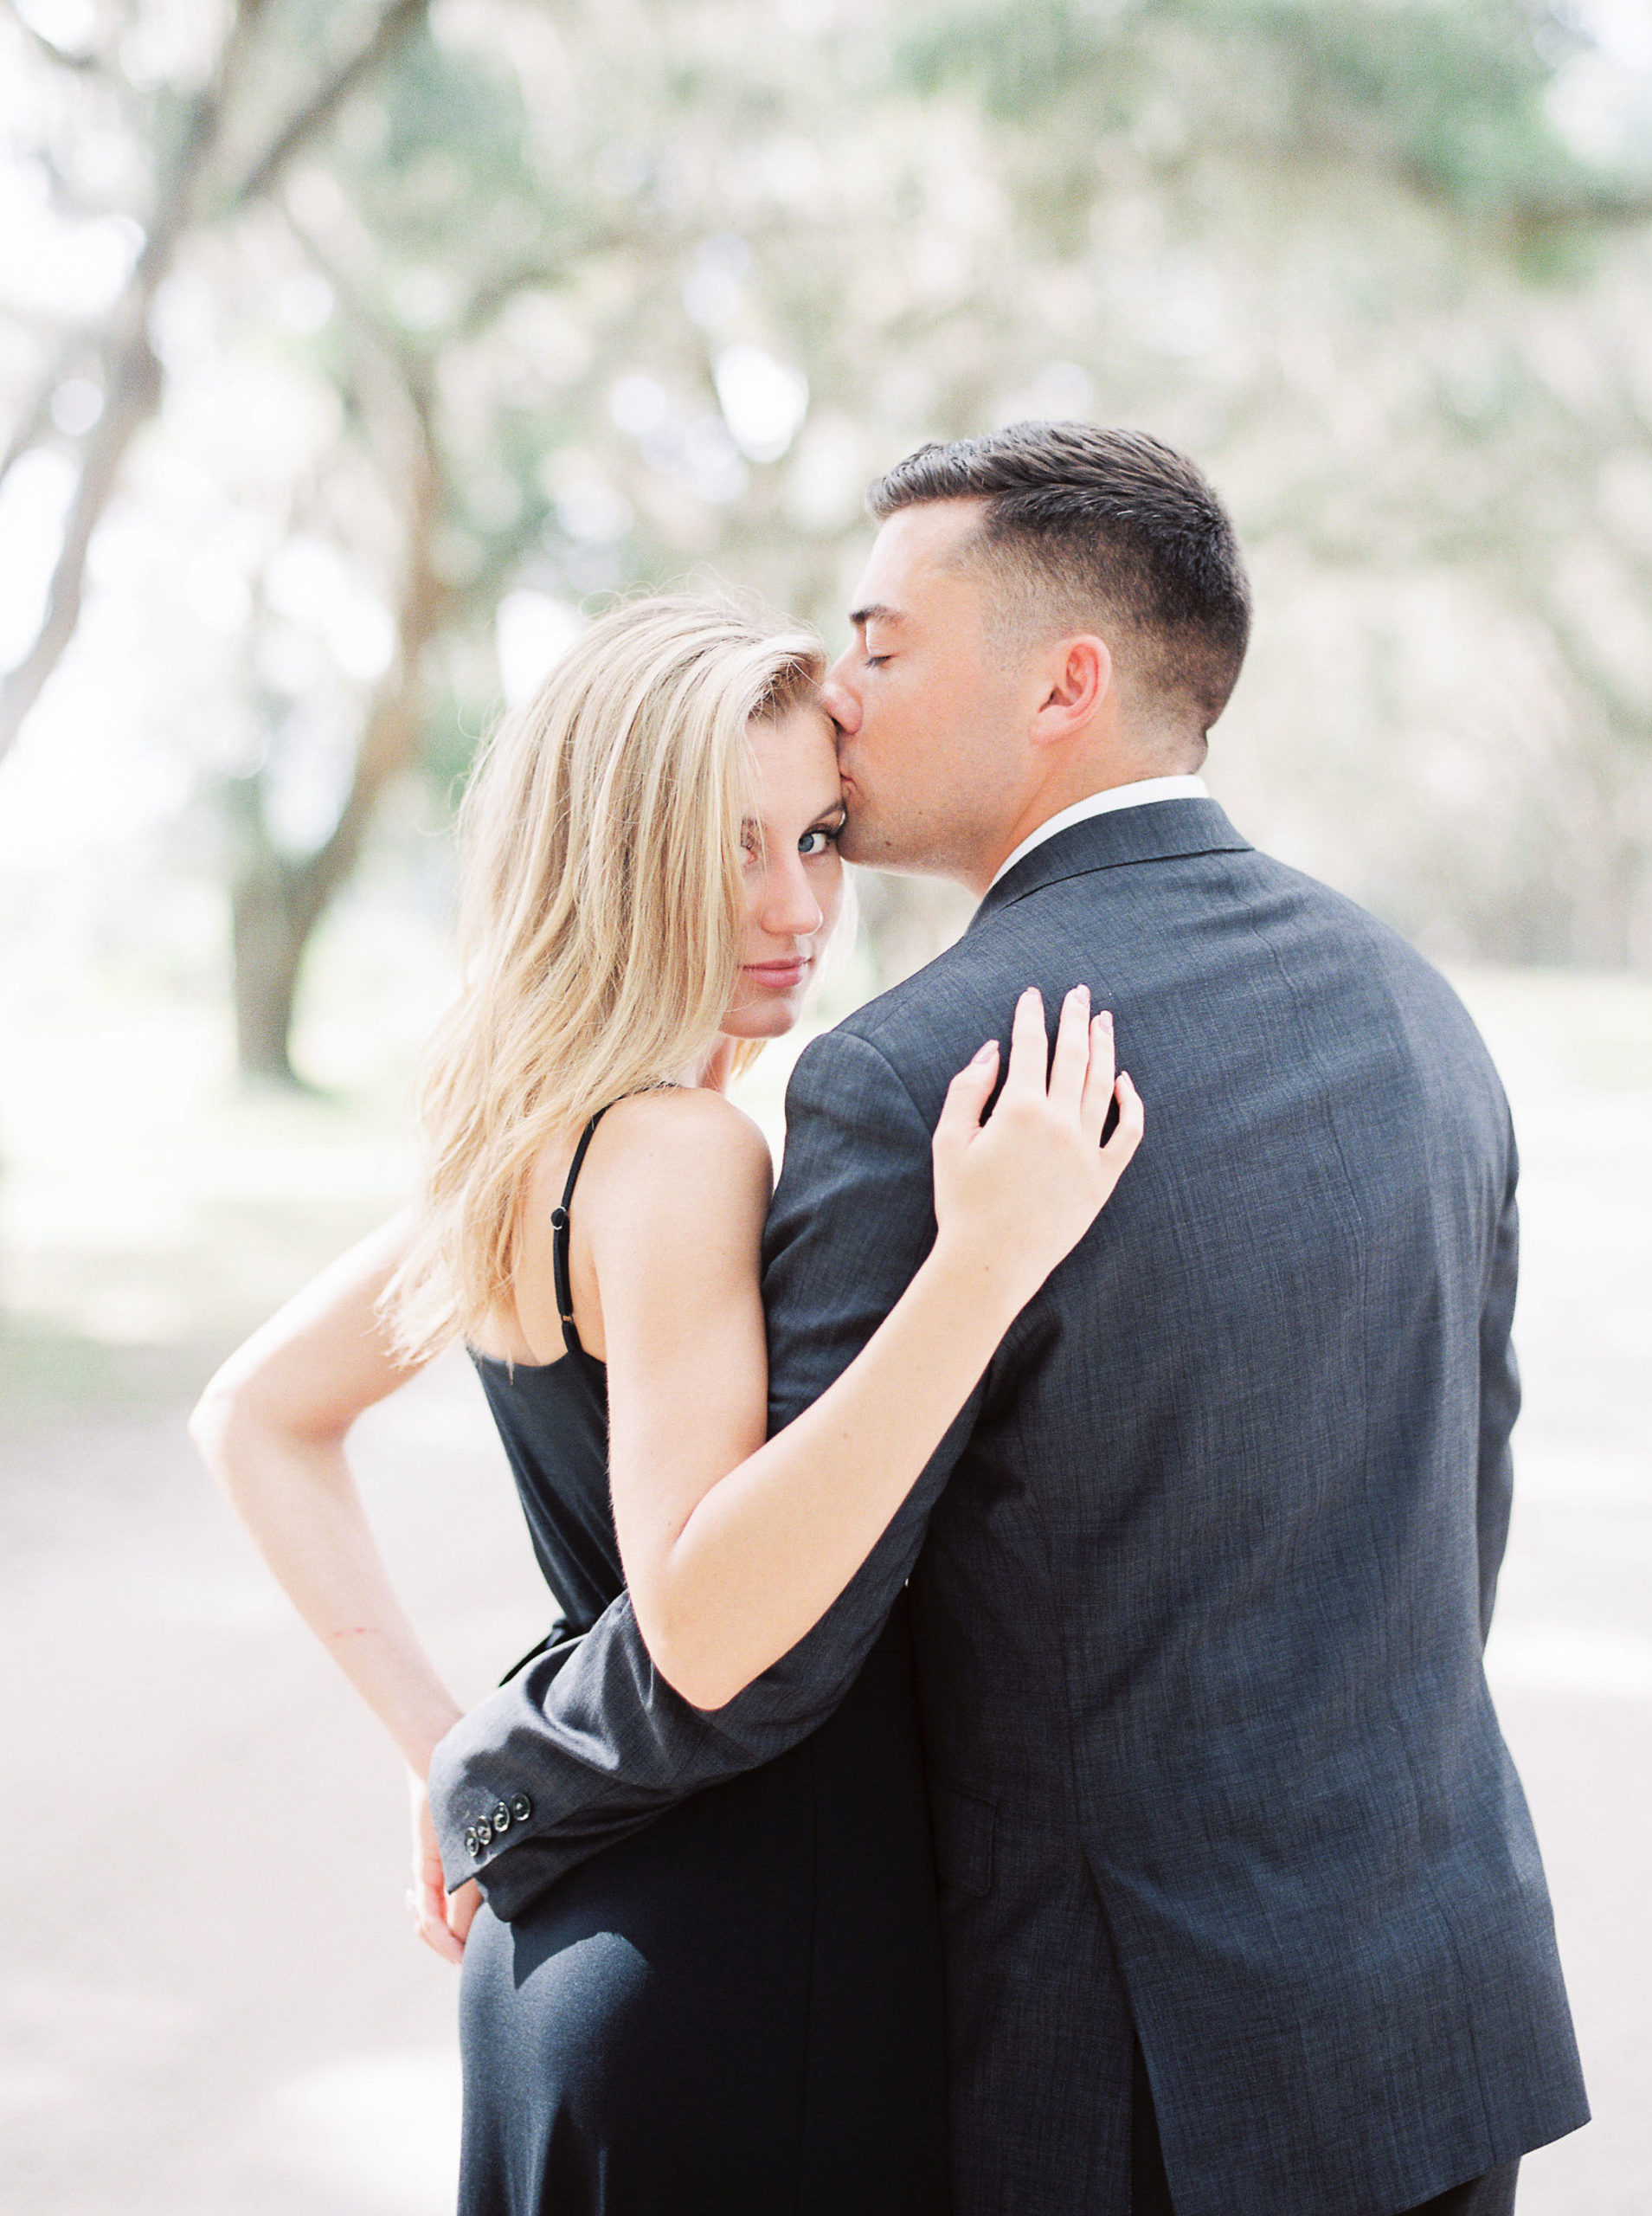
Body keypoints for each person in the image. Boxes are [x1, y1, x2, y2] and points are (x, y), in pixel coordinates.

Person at [432, 423, 1590, 2216]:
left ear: (1063, 684)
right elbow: (1459, 1512)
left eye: (883, 640)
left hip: (1128, 2084)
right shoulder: (1415, 1005)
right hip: (1434, 2018)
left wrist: (493, 1772)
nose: (841, 680)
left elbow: (767, 1647)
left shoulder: (915, 1072)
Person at [190, 592, 1146, 2215]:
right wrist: (983, 1265)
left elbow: (256, 1417)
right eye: (730, 848)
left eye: (822, 838)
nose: (796, 907)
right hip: (748, 1951)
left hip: (584, 1944)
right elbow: (704, 1600)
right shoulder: (684, 1151)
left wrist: (445, 1755)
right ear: (609, 851)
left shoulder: (529, 1146)